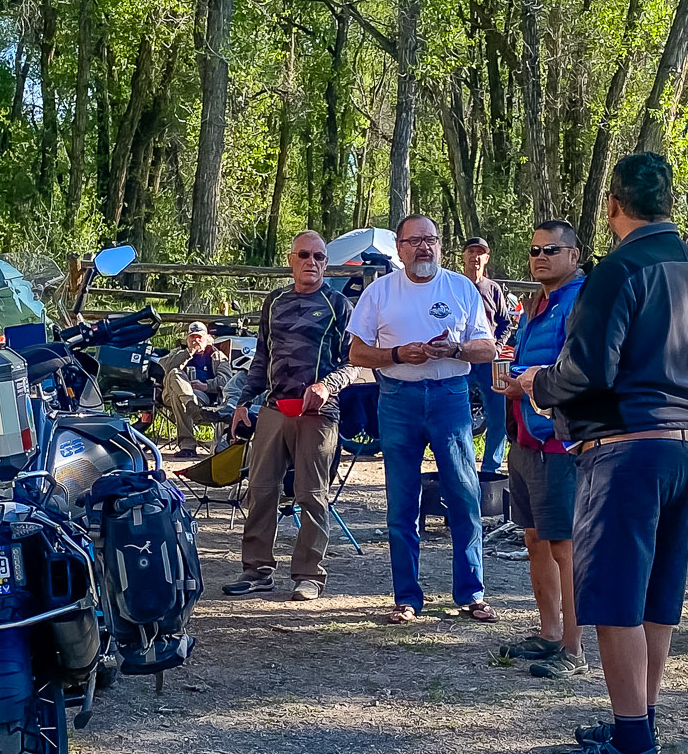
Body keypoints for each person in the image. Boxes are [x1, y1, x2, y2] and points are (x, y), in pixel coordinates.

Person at [514, 152, 688, 754]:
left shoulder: (617, 272)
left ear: (613, 206)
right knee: (658, 590)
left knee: (613, 595)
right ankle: (641, 718)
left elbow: (588, 371)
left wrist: (538, 383)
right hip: (685, 444)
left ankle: (632, 743)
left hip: (625, 446)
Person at [347, 213, 498, 624]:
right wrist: (397, 355)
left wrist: (455, 350)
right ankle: (407, 598)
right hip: (398, 398)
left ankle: (472, 592)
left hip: (450, 396)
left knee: (464, 495)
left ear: (440, 245)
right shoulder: (380, 292)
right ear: (399, 248)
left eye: (430, 240)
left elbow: (487, 348)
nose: (423, 248)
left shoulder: (460, 287)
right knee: (402, 499)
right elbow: (357, 353)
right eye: (414, 241)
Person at [222, 232, 355, 601]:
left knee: (312, 494)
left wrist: (327, 386)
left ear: (326, 264)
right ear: (291, 259)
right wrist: (243, 403)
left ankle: (309, 573)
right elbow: (261, 357)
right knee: (261, 490)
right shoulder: (275, 301)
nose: (312, 262)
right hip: (273, 407)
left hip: (318, 412)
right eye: (304, 255)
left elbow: (353, 363)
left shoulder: (338, 305)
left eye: (320, 257)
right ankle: (256, 569)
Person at [500, 221, 588, 679]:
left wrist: (527, 383)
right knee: (534, 538)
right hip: (525, 436)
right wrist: (510, 372)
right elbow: (526, 358)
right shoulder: (536, 301)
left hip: (560, 438)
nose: (540, 257)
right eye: (534, 250)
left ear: (575, 255)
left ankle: (574, 649)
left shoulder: (582, 300)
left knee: (564, 544)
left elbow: (574, 365)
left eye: (551, 249)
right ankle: (549, 631)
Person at [459, 237, 515, 480]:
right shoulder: (454, 285)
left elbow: (506, 323)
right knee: (459, 417)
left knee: (497, 417)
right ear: (463, 256)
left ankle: (491, 468)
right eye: (471, 251)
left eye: (480, 252)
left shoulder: (493, 288)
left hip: (489, 363)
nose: (475, 257)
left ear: (486, 258)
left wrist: (497, 347)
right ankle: (466, 466)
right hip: (460, 360)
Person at [157, 320, 229, 456]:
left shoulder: (217, 356)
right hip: (172, 394)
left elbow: (227, 380)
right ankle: (192, 406)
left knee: (177, 397)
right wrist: (187, 354)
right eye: (192, 337)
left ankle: (187, 447)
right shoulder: (178, 352)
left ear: (207, 339)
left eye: (199, 337)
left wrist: (206, 385)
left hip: (201, 395)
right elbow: (163, 366)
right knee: (174, 373)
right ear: (187, 338)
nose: (196, 340)